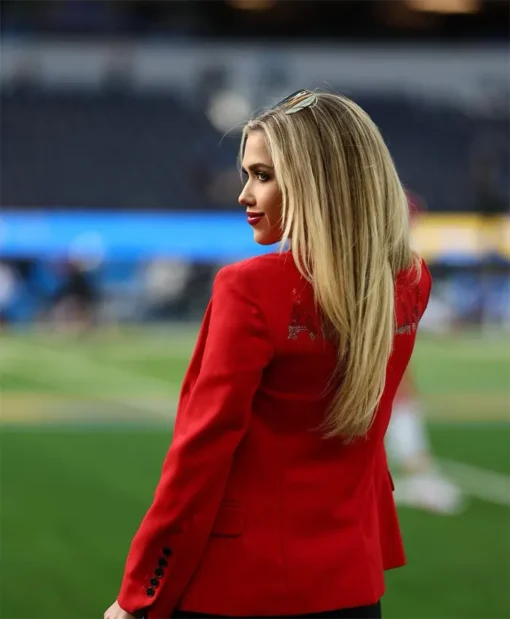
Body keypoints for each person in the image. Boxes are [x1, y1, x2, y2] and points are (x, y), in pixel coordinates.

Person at [104, 90, 432, 619]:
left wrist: (139, 592)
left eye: (262, 175)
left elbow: (200, 455)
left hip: (239, 588)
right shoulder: (411, 282)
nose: (244, 195)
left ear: (316, 182)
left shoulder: (250, 288)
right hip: (353, 584)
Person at [385, 193, 464, 515]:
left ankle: (414, 473)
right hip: (373, 351)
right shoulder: (391, 255)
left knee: (399, 397)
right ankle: (420, 477)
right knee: (399, 398)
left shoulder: (397, 256)